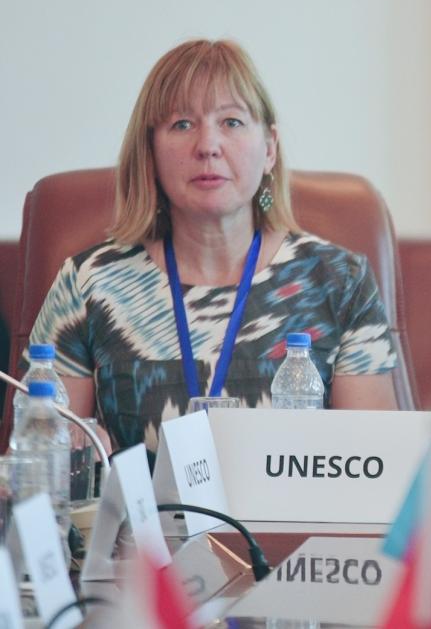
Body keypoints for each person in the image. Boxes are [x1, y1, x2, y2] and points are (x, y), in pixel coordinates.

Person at [24, 39, 398, 451]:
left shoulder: (340, 283)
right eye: (182, 124)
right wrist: (77, 452)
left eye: (232, 122)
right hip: (141, 497)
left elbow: (375, 465)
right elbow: (41, 466)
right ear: (150, 151)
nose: (207, 146)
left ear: (269, 148)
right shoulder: (89, 284)